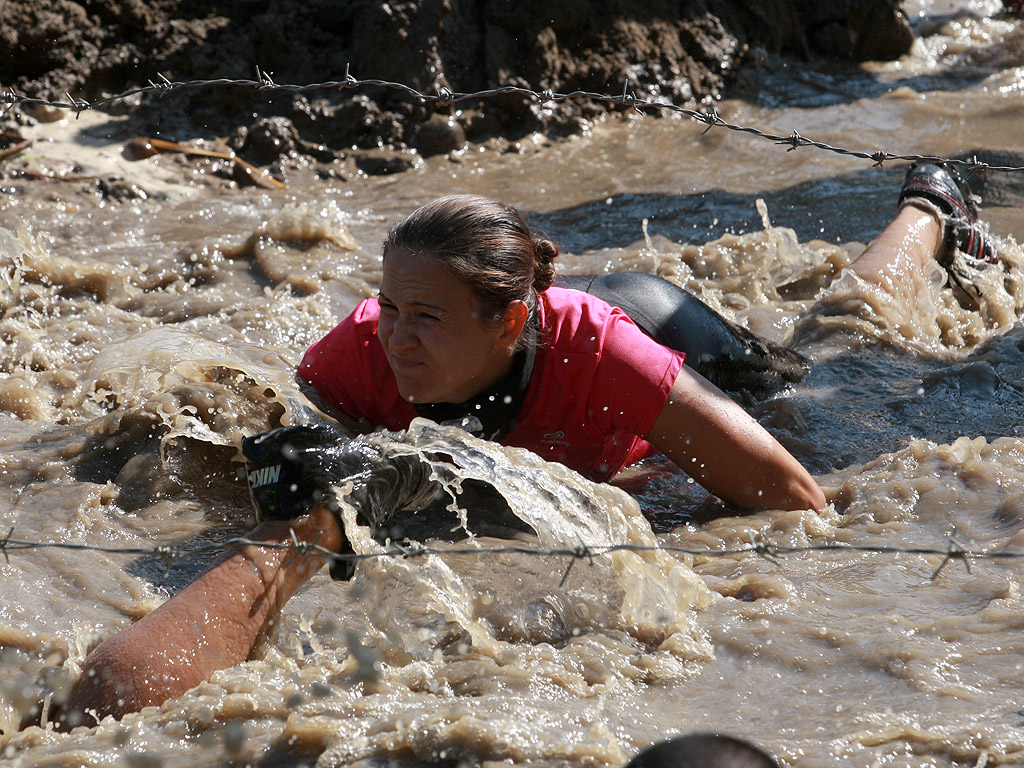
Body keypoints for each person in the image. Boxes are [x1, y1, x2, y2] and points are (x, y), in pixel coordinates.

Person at [58, 163, 1001, 727]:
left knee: (839, 339)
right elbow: (301, 482)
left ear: (510, 321)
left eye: (423, 317)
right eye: (388, 307)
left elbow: (797, 502)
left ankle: (928, 213)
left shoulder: (601, 351)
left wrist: (654, 508)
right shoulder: (356, 354)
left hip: (661, 327)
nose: (396, 337)